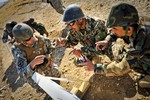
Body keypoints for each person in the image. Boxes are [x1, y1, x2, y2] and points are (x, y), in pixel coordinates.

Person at [83, 3, 150, 88]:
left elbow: (121, 68)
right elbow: (117, 32)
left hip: (144, 50)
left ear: (129, 29)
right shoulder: (134, 20)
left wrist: (95, 67)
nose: (112, 31)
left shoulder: (140, 43)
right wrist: (107, 40)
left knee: (139, 76)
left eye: (114, 28)